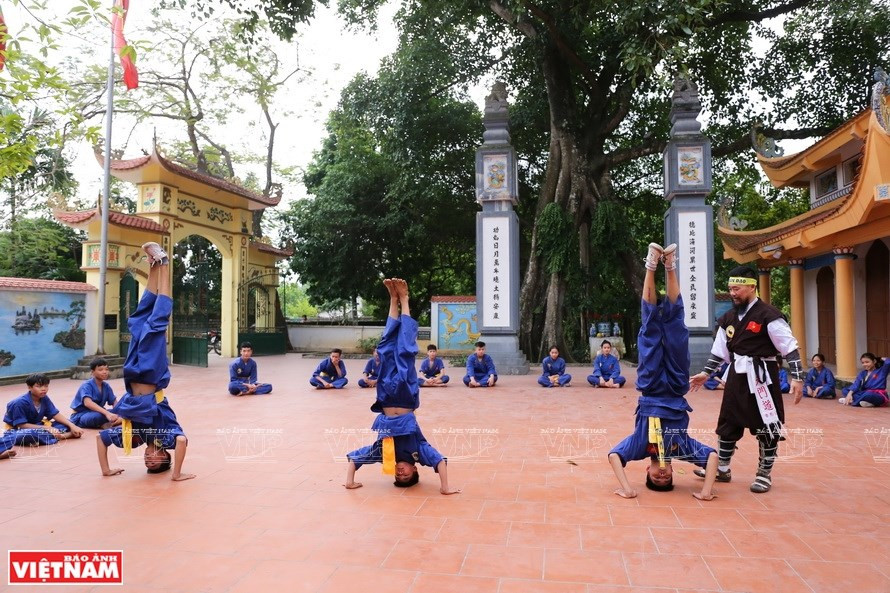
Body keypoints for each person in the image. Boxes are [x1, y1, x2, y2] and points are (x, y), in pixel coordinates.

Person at [608, 243, 718, 501]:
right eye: (666, 479)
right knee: (676, 326)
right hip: (677, 385)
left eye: (655, 478)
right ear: (672, 472)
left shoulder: (639, 447)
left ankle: (651, 264)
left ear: (647, 468)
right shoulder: (681, 448)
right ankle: (670, 266)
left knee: (650, 326)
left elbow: (614, 456)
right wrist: (705, 491)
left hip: (650, 385)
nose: (662, 475)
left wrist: (627, 488)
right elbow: (712, 457)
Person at [690, 265, 805, 494]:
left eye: (737, 288)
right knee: (728, 422)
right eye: (731, 288)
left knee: (767, 426)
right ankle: (722, 468)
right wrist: (706, 373)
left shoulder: (769, 315)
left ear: (752, 287)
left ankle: (764, 474)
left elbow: (789, 346)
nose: (733, 293)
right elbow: (719, 351)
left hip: (762, 377)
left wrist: (798, 377)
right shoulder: (728, 318)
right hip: (736, 377)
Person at [344, 278, 459, 494]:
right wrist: (444, 488)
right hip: (406, 396)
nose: (401, 472)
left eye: (398, 476)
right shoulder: (419, 452)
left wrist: (350, 482)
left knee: (385, 349)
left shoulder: (384, 454)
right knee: (405, 351)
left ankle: (393, 299)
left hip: (387, 396)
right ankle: (405, 300)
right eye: (406, 475)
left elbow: (356, 459)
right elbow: (440, 462)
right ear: (415, 470)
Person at [96, 242, 194, 481]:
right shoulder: (165, 435)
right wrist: (177, 474)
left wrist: (106, 470)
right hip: (151, 374)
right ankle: (166, 264)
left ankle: (153, 266)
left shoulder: (135, 437)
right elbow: (182, 441)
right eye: (156, 462)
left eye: (147, 462)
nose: (149, 459)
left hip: (133, 374)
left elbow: (101, 438)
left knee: (138, 322)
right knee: (156, 323)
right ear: (166, 457)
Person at [4, 373, 83, 446]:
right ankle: (64, 435)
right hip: (19, 430)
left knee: (68, 423)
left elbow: (54, 414)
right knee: (29, 434)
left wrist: (72, 425)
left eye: (46, 386)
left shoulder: (44, 398)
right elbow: (21, 425)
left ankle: (55, 435)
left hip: (39, 427)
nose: (43, 389)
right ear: (29, 387)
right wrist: (48, 428)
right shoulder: (19, 403)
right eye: (38, 386)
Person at [69, 358, 120, 428]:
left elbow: (114, 402)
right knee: (98, 416)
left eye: (106, 369)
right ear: (92, 372)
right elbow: (87, 403)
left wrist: (118, 411)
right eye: (100, 370)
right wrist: (107, 414)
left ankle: (107, 423)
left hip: (100, 412)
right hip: (82, 414)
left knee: (121, 410)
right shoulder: (86, 385)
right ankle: (106, 423)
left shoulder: (106, 386)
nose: (105, 372)